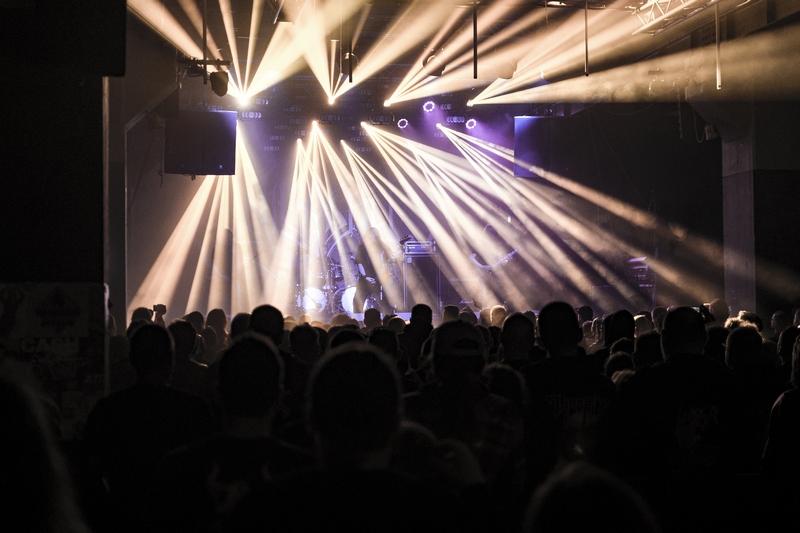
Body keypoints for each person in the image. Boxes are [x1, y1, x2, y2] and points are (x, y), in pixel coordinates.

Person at [353, 227, 397, 314]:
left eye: (374, 234)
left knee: (386, 302)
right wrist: (366, 277)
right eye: (371, 235)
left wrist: (393, 257)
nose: (373, 237)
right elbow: (360, 263)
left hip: (381, 279)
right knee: (357, 302)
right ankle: (358, 323)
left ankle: (387, 321)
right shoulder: (362, 247)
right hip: (365, 280)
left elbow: (393, 259)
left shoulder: (383, 246)